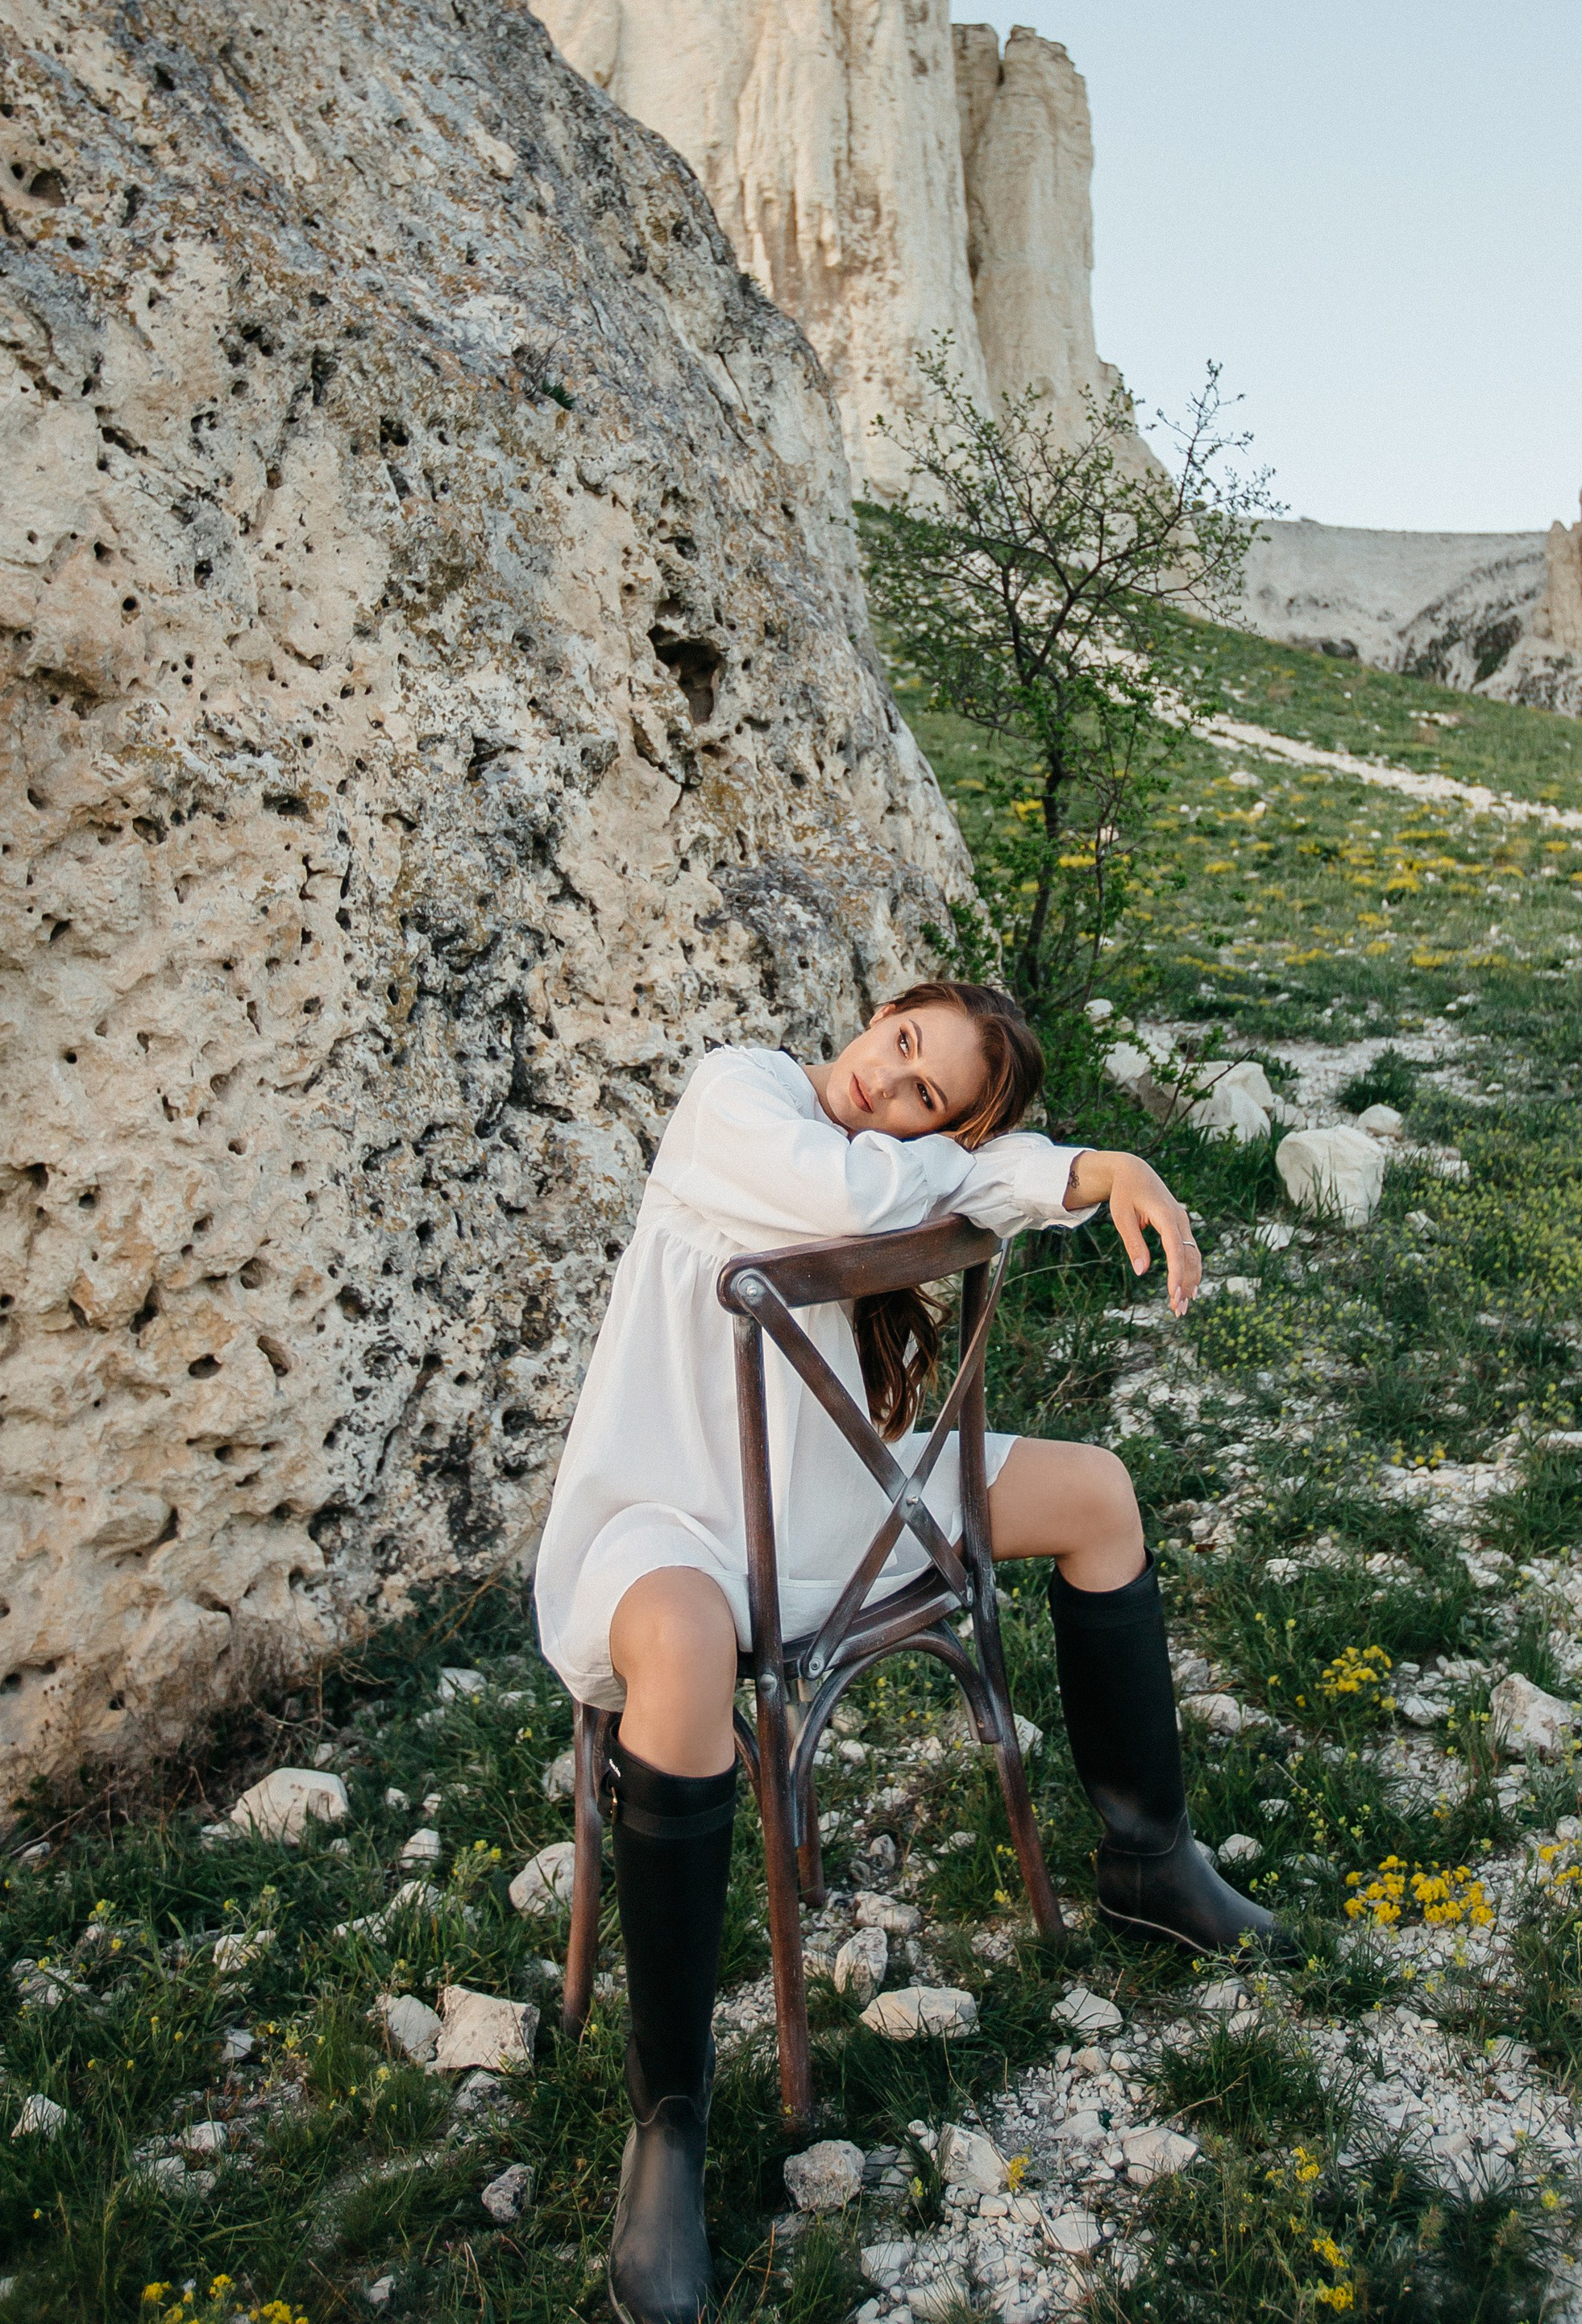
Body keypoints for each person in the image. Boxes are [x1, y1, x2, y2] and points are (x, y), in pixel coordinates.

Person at [534, 979, 1285, 2324]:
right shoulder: (739, 1091)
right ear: (875, 1017)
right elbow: (846, 1194)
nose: (888, 1082)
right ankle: (672, 2126)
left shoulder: (900, 1162)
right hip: (674, 1524)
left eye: (928, 1090)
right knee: (690, 1645)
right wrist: (997, 1166)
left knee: (1101, 1493)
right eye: (901, 1046)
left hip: (832, 1505)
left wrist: (1086, 1167)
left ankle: (1147, 1858)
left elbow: (912, 1192)